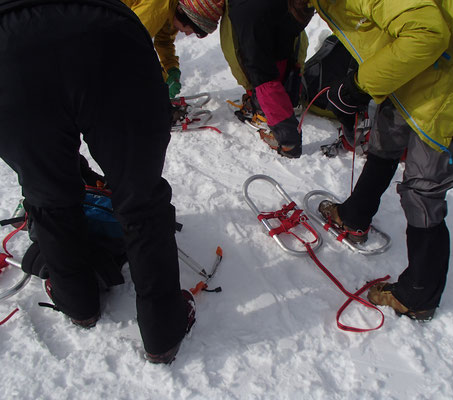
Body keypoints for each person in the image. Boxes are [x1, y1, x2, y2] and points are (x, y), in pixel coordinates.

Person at [300, 0, 453, 320]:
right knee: (389, 129)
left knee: (423, 189)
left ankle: (420, 293)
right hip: (435, 55)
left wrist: (357, 87)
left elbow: (426, 33)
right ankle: (354, 215)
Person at [0, 0, 195, 364]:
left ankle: (77, 303)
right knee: (140, 197)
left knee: (48, 195)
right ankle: (162, 333)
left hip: (8, 50)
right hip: (106, 35)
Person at [219, 0, 313, 158]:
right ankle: (283, 99)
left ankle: (287, 137)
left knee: (263, 76)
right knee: (281, 52)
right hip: (288, 16)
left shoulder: (241, 13)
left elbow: (244, 61)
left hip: (261, 21)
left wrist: (251, 88)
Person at [122, 0, 224, 98]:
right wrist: (157, 80)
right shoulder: (157, 7)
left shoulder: (172, 8)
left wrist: (171, 69)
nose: (188, 34)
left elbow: (164, 41)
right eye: (191, 29)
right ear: (184, 13)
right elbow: (129, 44)